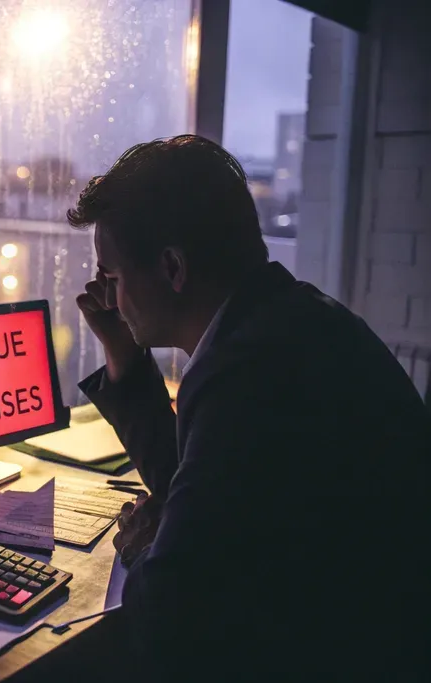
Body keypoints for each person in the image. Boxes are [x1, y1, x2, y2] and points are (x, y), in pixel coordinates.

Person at [59, 135, 429, 681]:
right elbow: (198, 486)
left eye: (112, 277)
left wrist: (144, 548)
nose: (108, 298)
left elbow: (171, 617)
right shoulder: (292, 322)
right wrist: (123, 355)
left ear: (172, 268)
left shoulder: (250, 373)